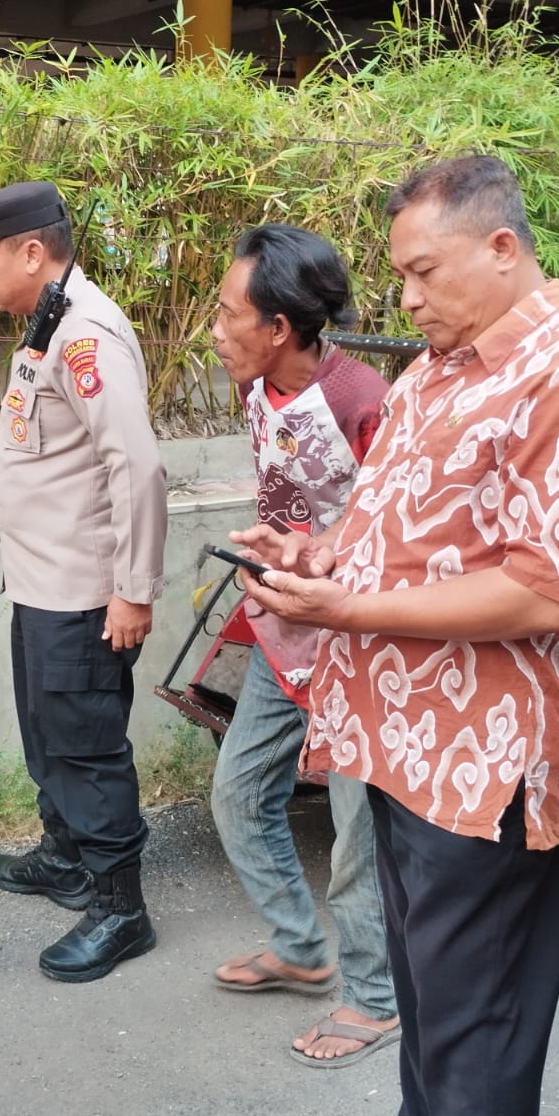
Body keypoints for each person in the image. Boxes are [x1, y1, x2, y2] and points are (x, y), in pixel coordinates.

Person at [232, 155, 559, 1116]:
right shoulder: (438, 368)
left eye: (426, 271)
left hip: (487, 779)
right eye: (401, 273)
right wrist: (314, 555)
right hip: (405, 754)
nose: (405, 296)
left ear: (502, 248)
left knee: (475, 1054)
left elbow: (546, 593)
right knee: (432, 1035)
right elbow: (403, 533)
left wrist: (347, 613)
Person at [0, 181, 167, 982]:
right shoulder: (49, 322)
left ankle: (120, 908)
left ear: (32, 253)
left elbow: (137, 465)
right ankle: (66, 857)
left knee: (86, 748)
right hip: (40, 584)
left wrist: (134, 588)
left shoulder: (86, 337)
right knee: (49, 736)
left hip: (82, 595)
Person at [206, 224, 399, 1068]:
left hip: (361, 648)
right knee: (239, 794)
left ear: (278, 327)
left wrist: (329, 567)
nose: (213, 330)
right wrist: (272, 544)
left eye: (224, 314)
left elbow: (402, 535)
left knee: (357, 843)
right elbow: (294, 495)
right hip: (288, 635)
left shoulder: (366, 401)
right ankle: (300, 947)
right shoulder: (258, 389)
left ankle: (377, 1001)